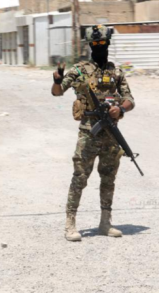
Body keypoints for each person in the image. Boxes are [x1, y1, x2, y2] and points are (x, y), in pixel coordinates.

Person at [51, 25, 135, 242]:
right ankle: (70, 224)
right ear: (90, 46)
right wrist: (57, 80)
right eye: (96, 44)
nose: (100, 48)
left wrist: (121, 109)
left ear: (107, 44)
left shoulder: (115, 72)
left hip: (111, 134)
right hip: (89, 132)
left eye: (103, 44)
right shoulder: (79, 70)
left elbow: (130, 99)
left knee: (108, 179)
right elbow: (57, 93)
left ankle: (105, 222)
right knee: (80, 177)